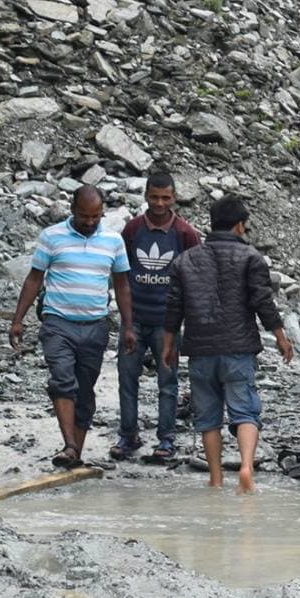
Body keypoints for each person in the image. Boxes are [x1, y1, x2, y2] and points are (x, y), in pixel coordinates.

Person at [162, 196, 293, 491]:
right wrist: (281, 337)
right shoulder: (251, 258)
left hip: (200, 350)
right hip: (238, 349)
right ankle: (246, 468)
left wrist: (168, 344)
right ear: (239, 226)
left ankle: (216, 479)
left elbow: (173, 307)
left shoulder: (185, 260)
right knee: (245, 411)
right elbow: (263, 302)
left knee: (208, 419)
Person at [10, 186, 133, 469]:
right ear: (72, 210)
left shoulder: (113, 241)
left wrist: (128, 326)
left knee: (85, 391)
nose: (89, 222)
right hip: (58, 323)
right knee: (62, 380)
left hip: (95, 326)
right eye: (83, 216)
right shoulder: (52, 236)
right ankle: (69, 445)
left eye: (95, 216)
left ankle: (75, 453)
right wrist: (18, 320)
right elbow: (34, 279)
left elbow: (122, 285)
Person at [113, 172, 199, 462]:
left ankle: (166, 439)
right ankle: (128, 435)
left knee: (168, 381)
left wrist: (185, 322)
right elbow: (121, 276)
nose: (159, 203)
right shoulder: (133, 230)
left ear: (174, 198)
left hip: (168, 324)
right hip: (134, 319)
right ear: (146, 196)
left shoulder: (185, 234)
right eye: (154, 197)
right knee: (127, 379)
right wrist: (126, 323)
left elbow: (194, 278)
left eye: (165, 198)